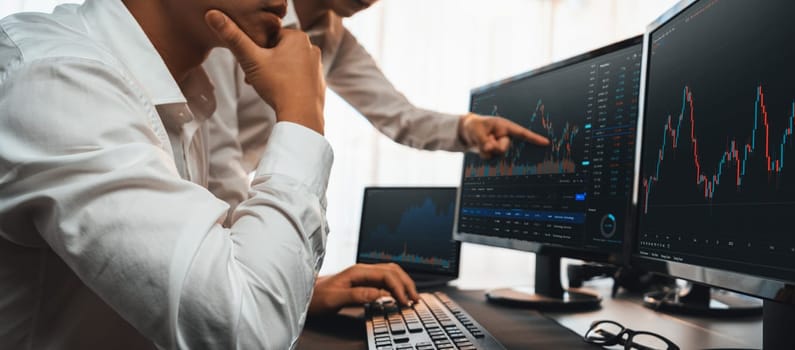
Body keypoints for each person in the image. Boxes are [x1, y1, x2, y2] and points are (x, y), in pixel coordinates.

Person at [0, 0, 415, 348]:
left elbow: (206, 277)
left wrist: (302, 293)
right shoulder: (59, 81)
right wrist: (302, 114)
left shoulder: (181, 89)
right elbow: (247, 332)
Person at [201, 0, 551, 316]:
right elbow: (219, 162)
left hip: (227, 220)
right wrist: (260, 282)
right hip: (193, 200)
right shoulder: (242, 10)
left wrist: (467, 128)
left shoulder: (331, 36)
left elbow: (399, 115)